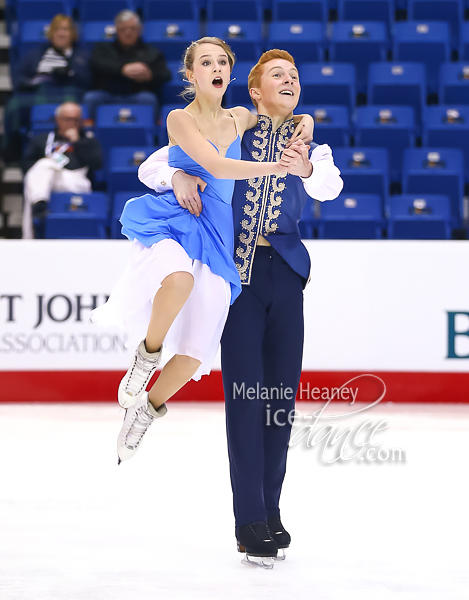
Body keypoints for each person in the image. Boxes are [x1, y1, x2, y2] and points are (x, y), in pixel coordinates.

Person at [91, 38, 313, 563]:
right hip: (193, 233)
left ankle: (148, 407)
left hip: (239, 255)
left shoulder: (251, 120)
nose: (216, 69)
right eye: (206, 62)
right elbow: (160, 166)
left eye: (223, 63)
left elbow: (296, 137)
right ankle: (145, 361)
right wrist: (176, 173)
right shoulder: (189, 118)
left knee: (210, 365)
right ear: (191, 74)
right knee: (183, 294)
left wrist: (304, 135)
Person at [136, 49, 343, 567]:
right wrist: (178, 178)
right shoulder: (228, 129)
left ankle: (271, 511)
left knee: (279, 400)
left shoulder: (309, 141)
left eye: (295, 75)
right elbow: (154, 164)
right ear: (255, 91)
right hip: (240, 279)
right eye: (278, 74)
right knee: (246, 398)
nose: (290, 80)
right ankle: (247, 519)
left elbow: (329, 188)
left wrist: (310, 164)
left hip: (288, 276)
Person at [3, 14, 92, 162]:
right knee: (13, 105)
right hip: (38, 92)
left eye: (65, 29)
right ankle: (12, 153)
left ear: (73, 33)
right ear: (51, 33)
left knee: (73, 100)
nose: (61, 33)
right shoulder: (35, 54)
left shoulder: (82, 55)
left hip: (67, 91)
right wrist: (31, 83)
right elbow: (19, 78)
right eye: (57, 29)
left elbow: (88, 81)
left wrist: (70, 72)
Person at [22, 102, 102, 239]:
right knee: (43, 167)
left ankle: (39, 205)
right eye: (67, 119)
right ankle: (39, 205)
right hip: (47, 181)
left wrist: (77, 142)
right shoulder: (41, 139)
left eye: (76, 119)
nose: (72, 123)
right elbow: (26, 164)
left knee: (44, 165)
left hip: (77, 180)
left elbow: (97, 164)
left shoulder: (89, 141)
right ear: (58, 119)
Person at [83, 10, 171, 121]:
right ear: (116, 30)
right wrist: (122, 69)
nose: (128, 32)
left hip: (137, 95)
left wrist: (150, 75)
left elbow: (165, 74)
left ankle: (152, 135)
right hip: (107, 94)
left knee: (149, 99)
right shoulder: (103, 48)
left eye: (132, 29)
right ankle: (90, 134)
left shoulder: (152, 52)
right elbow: (96, 64)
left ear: (140, 30)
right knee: (91, 98)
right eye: (123, 29)